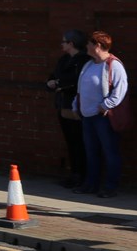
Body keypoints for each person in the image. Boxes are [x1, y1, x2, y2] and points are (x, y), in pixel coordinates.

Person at [73, 30, 128, 198]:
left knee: (110, 151)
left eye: (89, 44)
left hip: (103, 117)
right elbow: (81, 88)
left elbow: (120, 90)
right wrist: (76, 104)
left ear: (97, 45)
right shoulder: (89, 64)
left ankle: (110, 186)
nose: (86, 47)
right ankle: (91, 184)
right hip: (87, 116)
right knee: (91, 151)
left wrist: (106, 105)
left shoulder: (113, 65)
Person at [46, 29, 89, 187]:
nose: (61, 44)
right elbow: (54, 76)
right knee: (70, 141)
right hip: (63, 104)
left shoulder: (84, 60)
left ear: (71, 43)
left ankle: (82, 174)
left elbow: (77, 81)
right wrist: (52, 83)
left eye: (64, 41)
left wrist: (59, 84)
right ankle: (74, 173)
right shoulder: (63, 60)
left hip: (76, 106)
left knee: (79, 141)